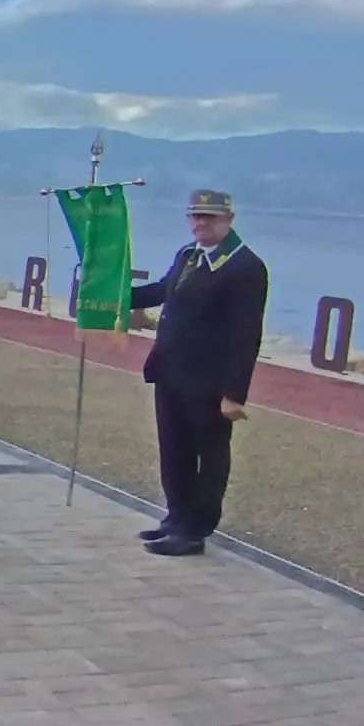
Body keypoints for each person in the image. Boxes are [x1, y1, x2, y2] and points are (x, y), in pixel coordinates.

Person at [129, 189, 268, 558]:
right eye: (195, 216)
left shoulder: (244, 267)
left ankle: (195, 530)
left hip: (208, 382)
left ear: (229, 220)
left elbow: (246, 336)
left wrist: (234, 393)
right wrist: (115, 296)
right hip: (171, 372)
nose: (200, 223)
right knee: (174, 452)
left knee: (208, 457)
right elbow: (163, 290)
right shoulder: (188, 255)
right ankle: (176, 518)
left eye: (209, 217)